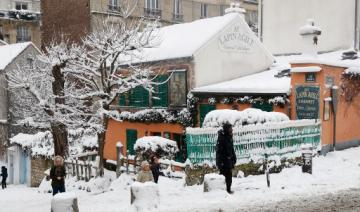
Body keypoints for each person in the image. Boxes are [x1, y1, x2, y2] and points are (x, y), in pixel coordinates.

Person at [216, 122, 237, 194]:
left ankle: (227, 190)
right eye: (230, 128)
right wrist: (220, 163)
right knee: (225, 176)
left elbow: (231, 149)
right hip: (223, 162)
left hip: (228, 161)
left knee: (228, 177)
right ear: (227, 129)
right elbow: (219, 151)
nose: (232, 130)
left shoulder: (229, 137)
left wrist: (234, 158)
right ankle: (224, 191)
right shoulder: (222, 138)